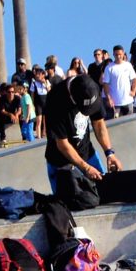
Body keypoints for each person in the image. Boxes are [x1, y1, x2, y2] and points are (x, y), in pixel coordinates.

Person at [43, 62, 122, 195]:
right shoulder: (55, 100)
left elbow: (99, 124)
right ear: (73, 98)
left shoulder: (92, 88)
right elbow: (62, 144)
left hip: (87, 154)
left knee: (106, 193)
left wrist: (109, 153)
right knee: (70, 207)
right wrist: (85, 168)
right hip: (61, 163)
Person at [101, 46, 136, 117]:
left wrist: (134, 91)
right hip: (115, 103)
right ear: (113, 54)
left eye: (120, 54)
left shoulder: (128, 65)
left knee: (129, 123)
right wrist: (109, 99)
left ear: (123, 54)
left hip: (128, 101)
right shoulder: (109, 67)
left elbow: (135, 79)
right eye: (116, 54)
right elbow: (105, 84)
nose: (118, 56)